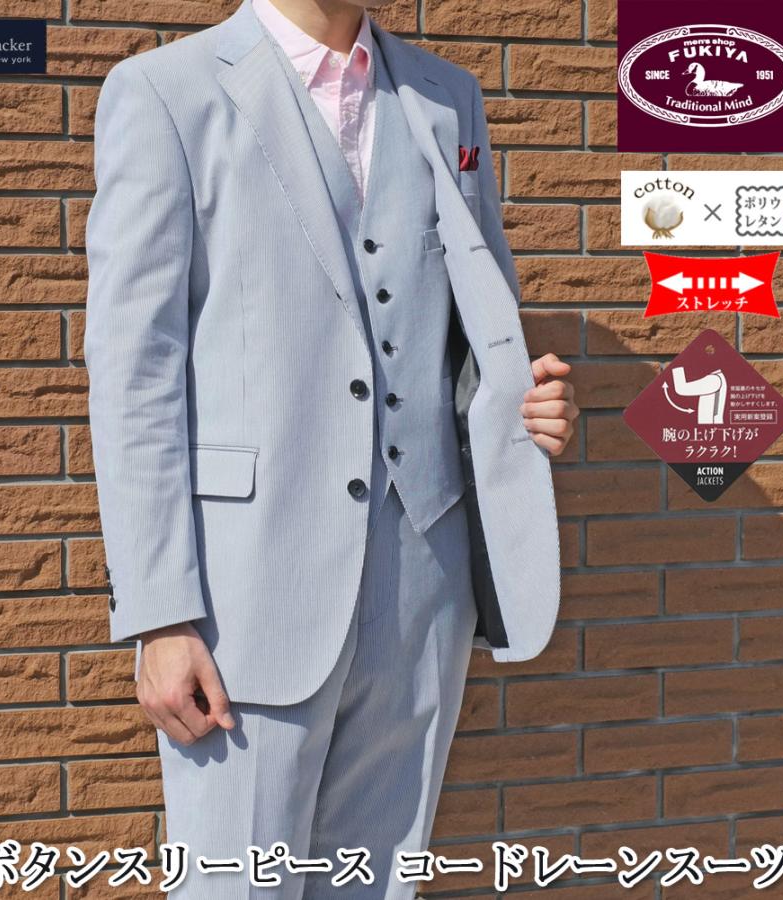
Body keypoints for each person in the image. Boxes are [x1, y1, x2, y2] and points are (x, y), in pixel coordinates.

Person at [83, 1, 579, 896]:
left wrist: (524, 404)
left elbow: (473, 326)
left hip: (423, 588)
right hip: (243, 599)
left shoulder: (446, 97)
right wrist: (160, 615)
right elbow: (134, 372)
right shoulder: (165, 93)